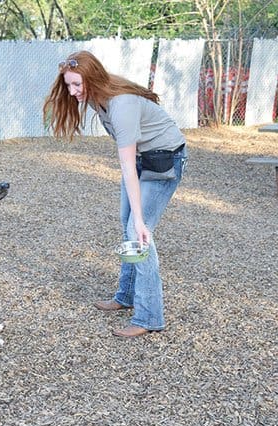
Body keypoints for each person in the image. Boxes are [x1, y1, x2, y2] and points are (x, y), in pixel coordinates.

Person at [43, 50, 187, 337]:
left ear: (93, 79)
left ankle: (149, 317)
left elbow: (127, 166)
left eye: (77, 85)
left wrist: (140, 220)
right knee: (128, 225)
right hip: (142, 159)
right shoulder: (100, 98)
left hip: (164, 161)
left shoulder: (121, 106)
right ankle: (126, 296)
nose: (72, 92)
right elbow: (129, 163)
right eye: (69, 85)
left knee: (139, 234)